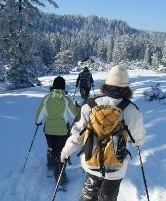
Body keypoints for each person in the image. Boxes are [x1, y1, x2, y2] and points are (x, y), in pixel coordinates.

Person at [60, 65, 146, 201]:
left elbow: (77, 135)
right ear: (126, 86)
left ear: (107, 83)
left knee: (88, 195)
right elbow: (138, 140)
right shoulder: (132, 110)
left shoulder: (90, 105)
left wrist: (66, 152)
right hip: (116, 168)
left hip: (92, 163)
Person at [35, 76, 78, 185]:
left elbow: (40, 114)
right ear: (63, 87)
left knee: (51, 147)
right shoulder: (66, 99)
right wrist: (78, 108)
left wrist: (38, 121)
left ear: (53, 86)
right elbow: (74, 115)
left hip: (48, 130)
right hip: (62, 131)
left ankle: (50, 165)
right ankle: (60, 178)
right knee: (61, 152)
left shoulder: (46, 98)